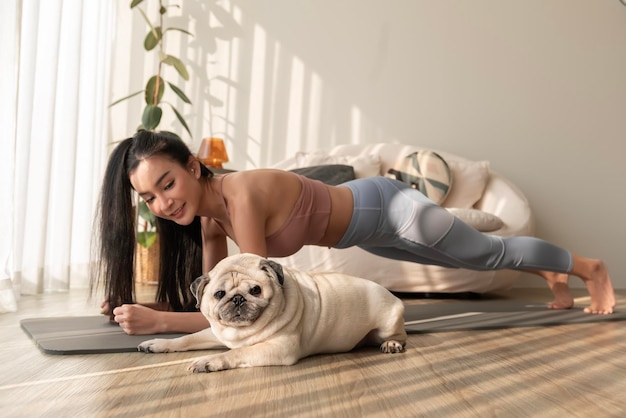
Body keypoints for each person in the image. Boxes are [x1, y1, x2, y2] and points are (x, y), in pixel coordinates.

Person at [91, 131, 615, 335]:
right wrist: (164, 318)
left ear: (193, 166)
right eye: (150, 199)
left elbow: (257, 305)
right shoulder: (210, 222)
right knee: (475, 261)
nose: (164, 202)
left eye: (168, 183)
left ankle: (588, 268)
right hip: (360, 233)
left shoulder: (241, 195)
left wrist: (161, 322)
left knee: (486, 253)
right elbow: (220, 306)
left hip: (389, 206)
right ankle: (551, 270)